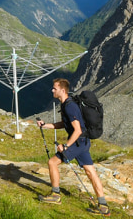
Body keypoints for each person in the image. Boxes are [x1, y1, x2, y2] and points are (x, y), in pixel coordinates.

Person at [37, 78, 109, 216]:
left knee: (52, 162)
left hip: (78, 142)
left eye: (54, 88)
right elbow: (66, 124)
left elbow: (77, 130)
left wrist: (65, 146)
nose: (52, 90)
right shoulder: (66, 105)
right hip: (83, 142)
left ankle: (55, 195)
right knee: (90, 171)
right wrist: (46, 125)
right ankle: (103, 205)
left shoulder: (69, 106)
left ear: (62, 90)